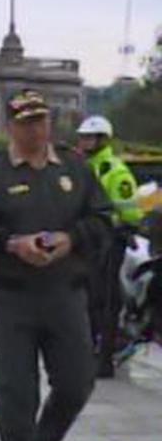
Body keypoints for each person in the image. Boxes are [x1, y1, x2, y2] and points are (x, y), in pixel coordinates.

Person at [0, 89, 112, 441]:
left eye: (41, 120)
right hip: (12, 297)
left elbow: (102, 220)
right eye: (27, 122)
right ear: (10, 126)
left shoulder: (76, 169)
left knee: (77, 382)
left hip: (64, 293)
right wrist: (12, 244)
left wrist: (70, 239)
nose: (36, 129)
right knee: (16, 390)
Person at [75, 115, 144, 378]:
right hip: (85, 241)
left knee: (104, 300)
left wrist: (119, 227)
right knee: (86, 299)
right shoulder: (83, 166)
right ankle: (88, 351)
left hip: (109, 240)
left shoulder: (114, 170)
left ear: (103, 139)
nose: (83, 142)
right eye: (81, 137)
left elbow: (130, 212)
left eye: (89, 137)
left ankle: (103, 359)